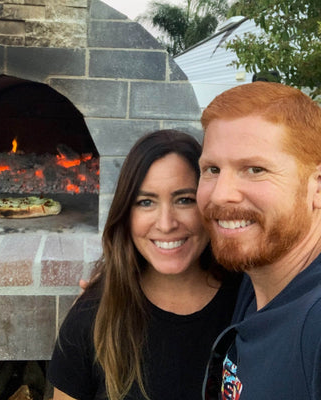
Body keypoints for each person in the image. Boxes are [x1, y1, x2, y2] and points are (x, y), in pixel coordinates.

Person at [47, 129, 241, 400]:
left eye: (184, 200)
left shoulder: (249, 300)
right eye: (146, 202)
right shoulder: (94, 315)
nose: (165, 223)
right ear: (126, 214)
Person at [197, 81, 321, 399]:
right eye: (212, 169)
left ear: (317, 187)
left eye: (255, 169)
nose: (222, 194)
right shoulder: (258, 275)